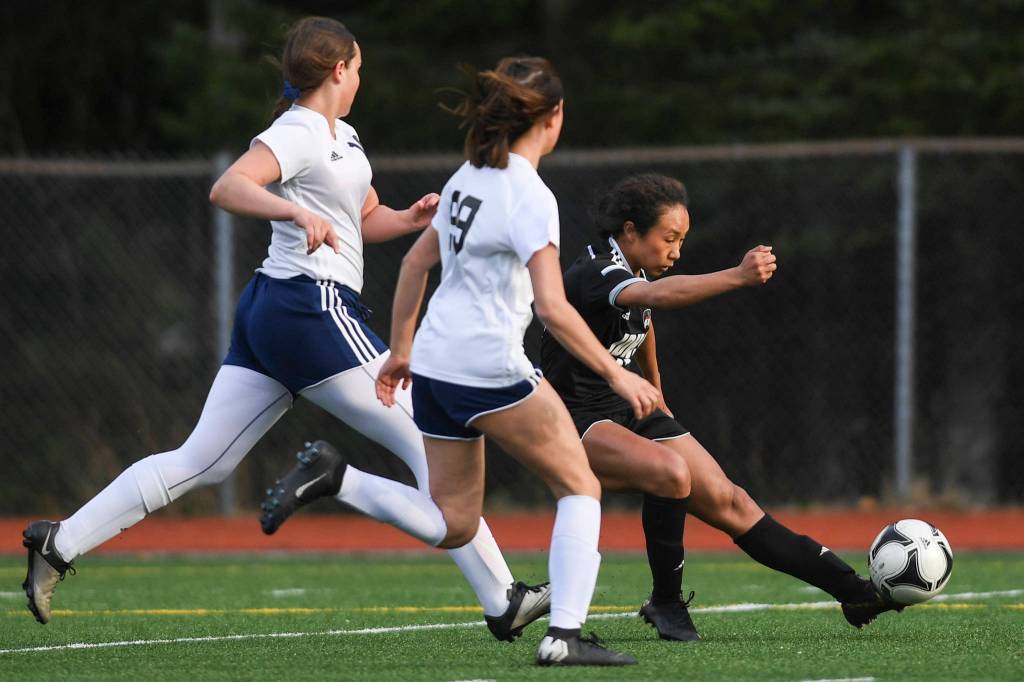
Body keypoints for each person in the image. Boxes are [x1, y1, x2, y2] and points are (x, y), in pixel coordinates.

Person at [21, 17, 549, 643]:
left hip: (276, 311)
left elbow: (364, 216)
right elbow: (229, 187)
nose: (360, 80)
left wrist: (406, 218)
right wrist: (291, 208)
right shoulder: (296, 130)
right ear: (338, 70)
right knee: (430, 439)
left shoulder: (343, 136)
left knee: (204, 460)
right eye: (358, 69)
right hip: (309, 308)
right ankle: (502, 598)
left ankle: (61, 540)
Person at [368, 56, 664, 667]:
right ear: (552, 118)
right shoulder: (530, 193)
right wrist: (618, 375)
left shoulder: (464, 179)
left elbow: (413, 264)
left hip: (435, 366)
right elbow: (553, 308)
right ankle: (564, 637)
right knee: (579, 485)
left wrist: (401, 350)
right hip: (490, 369)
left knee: (453, 521)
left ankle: (335, 480)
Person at [539, 172, 902, 642]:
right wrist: (737, 276)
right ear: (630, 231)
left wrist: (658, 395)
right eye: (669, 238)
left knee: (731, 500)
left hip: (629, 407)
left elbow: (642, 329)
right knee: (670, 474)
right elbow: (653, 300)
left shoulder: (637, 269)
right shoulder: (596, 271)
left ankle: (851, 590)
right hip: (574, 418)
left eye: (682, 240)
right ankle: (665, 603)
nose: (676, 251)